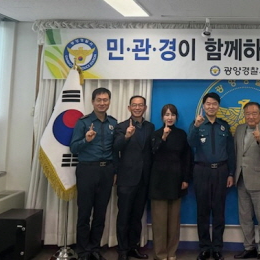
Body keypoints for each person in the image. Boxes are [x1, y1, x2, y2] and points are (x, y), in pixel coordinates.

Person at [188, 92, 236, 260]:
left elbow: (231, 151)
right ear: (203, 106)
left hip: (221, 171)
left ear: (218, 106)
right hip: (201, 171)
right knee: (202, 211)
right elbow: (191, 143)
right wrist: (196, 126)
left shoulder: (224, 126)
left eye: (214, 104)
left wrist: (231, 173)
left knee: (218, 211)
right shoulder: (197, 124)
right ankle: (204, 248)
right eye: (208, 104)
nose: (211, 106)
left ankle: (216, 248)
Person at [70, 87, 117, 260]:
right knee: (84, 212)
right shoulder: (83, 123)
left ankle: (95, 248)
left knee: (100, 212)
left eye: (105, 100)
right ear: (92, 102)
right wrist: (86, 140)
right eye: (99, 100)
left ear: (109, 102)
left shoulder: (113, 123)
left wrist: (115, 171)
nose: (102, 103)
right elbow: (73, 148)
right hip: (87, 170)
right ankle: (83, 251)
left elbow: (115, 150)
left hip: (107, 171)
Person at [113, 95, 155, 260]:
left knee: (137, 216)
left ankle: (133, 247)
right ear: (129, 108)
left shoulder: (150, 127)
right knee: (124, 216)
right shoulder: (121, 126)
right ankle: (122, 251)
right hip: (126, 178)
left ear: (145, 108)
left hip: (144, 179)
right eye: (134, 105)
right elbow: (115, 147)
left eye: (141, 105)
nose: (137, 108)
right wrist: (126, 136)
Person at [150, 104, 194, 260]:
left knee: (174, 221)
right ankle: (160, 253)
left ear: (176, 117)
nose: (170, 117)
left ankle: (171, 252)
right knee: (159, 221)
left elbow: (187, 158)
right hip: (158, 182)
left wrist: (185, 179)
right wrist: (163, 138)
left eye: (172, 115)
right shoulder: (155, 134)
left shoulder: (181, 134)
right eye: (167, 114)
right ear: (162, 117)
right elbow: (153, 152)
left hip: (176, 181)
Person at [233, 102, 260, 260]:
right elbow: (237, 153)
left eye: (254, 113)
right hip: (241, 180)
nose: (250, 116)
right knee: (245, 217)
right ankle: (249, 247)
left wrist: (259, 141)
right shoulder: (239, 129)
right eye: (247, 113)